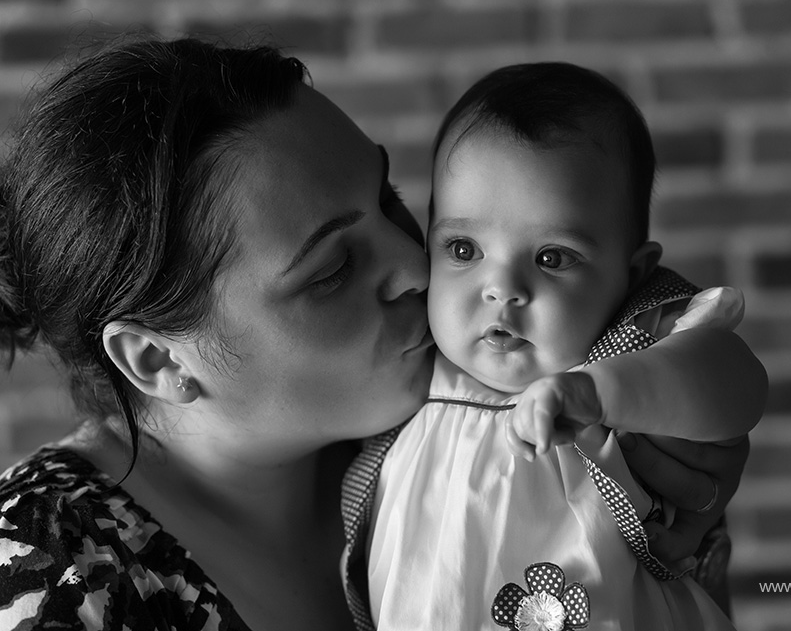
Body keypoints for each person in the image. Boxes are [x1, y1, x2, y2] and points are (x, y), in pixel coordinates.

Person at [0, 38, 752, 631]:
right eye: (332, 269)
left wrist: (672, 498)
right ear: (158, 357)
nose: (416, 268)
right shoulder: (49, 576)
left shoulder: (457, 407)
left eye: (389, 199)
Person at [359, 63, 768, 630]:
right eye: (462, 248)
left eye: (552, 258)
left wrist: (604, 392)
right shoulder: (408, 366)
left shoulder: (623, 357)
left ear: (633, 275)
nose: (500, 288)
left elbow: (738, 384)